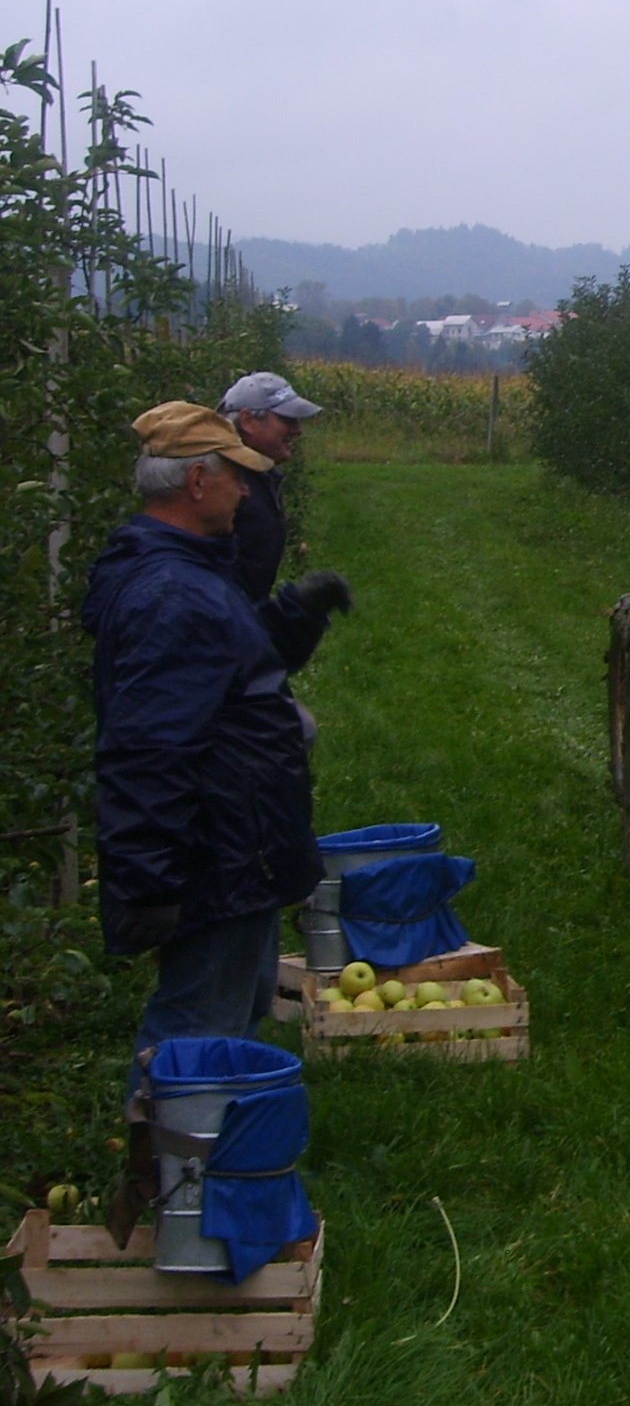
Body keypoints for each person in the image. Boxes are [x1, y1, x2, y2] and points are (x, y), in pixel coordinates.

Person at [82, 403, 331, 1095]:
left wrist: (292, 618)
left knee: (233, 1004)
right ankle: (178, 1183)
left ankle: (202, 1171)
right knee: (197, 1026)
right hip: (216, 849)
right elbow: (149, 747)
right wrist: (149, 876)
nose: (246, 491)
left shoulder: (185, 573)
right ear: (197, 481)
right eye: (234, 477)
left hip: (235, 845)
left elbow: (224, 673)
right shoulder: (173, 595)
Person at [218, 371, 323, 603]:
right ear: (248, 421)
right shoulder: (223, 486)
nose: (297, 429)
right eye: (287, 419)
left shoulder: (259, 477)